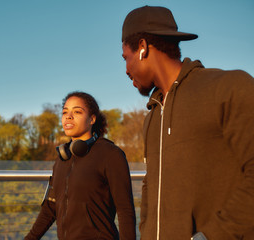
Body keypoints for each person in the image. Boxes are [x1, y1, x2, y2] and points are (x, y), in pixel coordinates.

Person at [121, 5, 254, 240]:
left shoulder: (228, 88)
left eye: (126, 58)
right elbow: (150, 186)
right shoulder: (151, 116)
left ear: (142, 48)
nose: (126, 69)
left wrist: (212, 236)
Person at [25, 91, 136, 240]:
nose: (68, 116)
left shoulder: (110, 154)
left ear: (92, 119)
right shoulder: (62, 158)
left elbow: (125, 210)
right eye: (65, 112)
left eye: (77, 111)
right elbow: (50, 208)